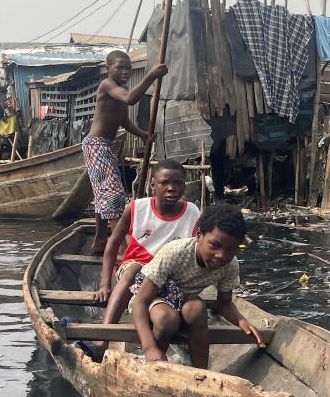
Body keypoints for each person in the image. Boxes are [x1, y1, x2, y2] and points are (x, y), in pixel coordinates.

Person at [90, 159, 199, 361]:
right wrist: (105, 284)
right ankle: (102, 338)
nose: (171, 188)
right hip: (135, 267)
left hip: (169, 278)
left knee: (167, 322)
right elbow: (112, 245)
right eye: (164, 183)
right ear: (152, 185)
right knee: (133, 270)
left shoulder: (192, 212)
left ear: (184, 186)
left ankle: (154, 355)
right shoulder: (136, 208)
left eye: (177, 183)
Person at [130, 204, 264, 368]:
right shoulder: (175, 252)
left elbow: (225, 303)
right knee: (167, 318)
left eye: (230, 250)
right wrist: (149, 347)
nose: (221, 256)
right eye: (214, 245)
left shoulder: (230, 265)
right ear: (199, 235)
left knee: (197, 308)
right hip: (158, 297)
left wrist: (241, 320)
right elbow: (141, 301)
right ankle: (155, 362)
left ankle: (201, 371)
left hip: (183, 301)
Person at [83, 49, 167, 254]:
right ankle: (122, 249)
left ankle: (100, 241)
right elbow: (130, 99)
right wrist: (151, 75)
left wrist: (143, 135)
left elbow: (123, 120)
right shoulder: (107, 85)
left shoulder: (121, 88)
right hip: (96, 145)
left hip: (104, 145)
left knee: (103, 194)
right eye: (119, 67)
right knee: (112, 195)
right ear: (107, 68)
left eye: (128, 68)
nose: (125, 72)